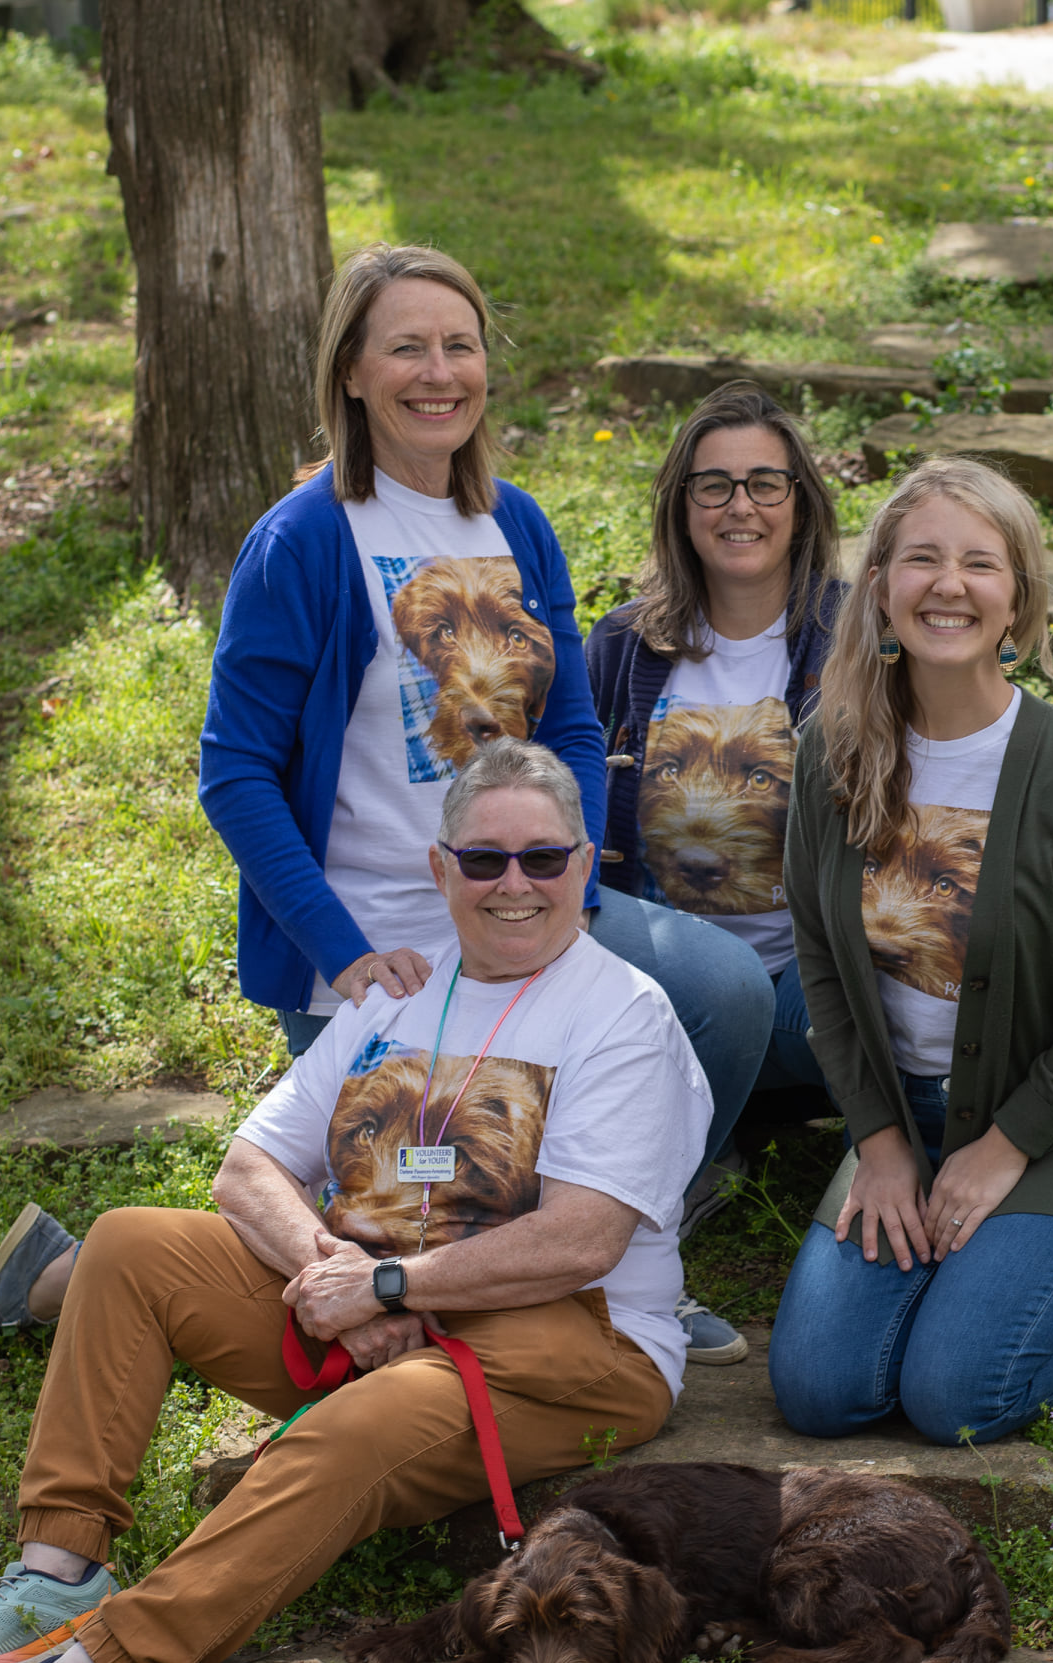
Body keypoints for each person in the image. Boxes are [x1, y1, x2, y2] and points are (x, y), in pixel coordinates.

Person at [0, 741, 711, 1663]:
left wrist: (390, 1284)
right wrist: (334, 1272)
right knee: (132, 1243)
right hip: (371, 1299)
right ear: (440, 869)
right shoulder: (397, 995)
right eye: (484, 858)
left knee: (360, 1423)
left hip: (570, 1342)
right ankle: (58, 1567)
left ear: (582, 866)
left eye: (541, 857)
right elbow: (247, 1167)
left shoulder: (622, 1016)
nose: (513, 883)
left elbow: (580, 1239)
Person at [193, 242, 771, 1366]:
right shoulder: (304, 540)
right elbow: (236, 773)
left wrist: (569, 872)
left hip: (517, 895)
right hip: (379, 938)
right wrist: (344, 951)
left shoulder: (516, 521)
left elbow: (561, 725)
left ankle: (639, 1238)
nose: (437, 371)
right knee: (417, 1184)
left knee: (724, 989)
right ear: (351, 372)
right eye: (405, 346)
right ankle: (79, 1279)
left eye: (459, 345)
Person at [768, 456, 1053, 1446]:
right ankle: (949, 1271)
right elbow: (819, 960)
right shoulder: (830, 751)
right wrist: (880, 1144)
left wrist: (1001, 1149)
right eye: (921, 558)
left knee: (953, 1394)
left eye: (979, 563)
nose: (947, 585)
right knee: (818, 1388)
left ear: (1015, 600)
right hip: (904, 1125)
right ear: (881, 585)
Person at [585, 381, 846, 1166]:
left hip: (806, 982)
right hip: (662, 990)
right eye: (713, 486)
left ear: (799, 503)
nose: (741, 506)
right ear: (680, 504)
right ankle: (698, 1130)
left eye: (766, 483)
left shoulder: (861, 638)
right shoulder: (620, 646)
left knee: (906, 1020)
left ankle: (741, 1110)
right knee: (718, 994)